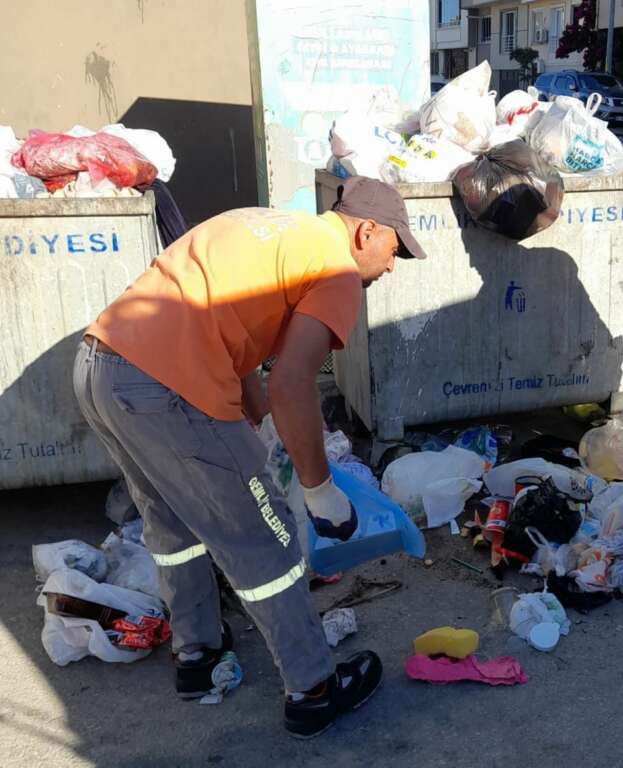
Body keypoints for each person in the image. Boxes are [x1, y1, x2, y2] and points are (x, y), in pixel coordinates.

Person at [73, 176, 426, 737]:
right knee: (270, 544)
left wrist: (252, 400)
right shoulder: (335, 271)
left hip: (101, 366)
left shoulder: (268, 224)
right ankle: (313, 690)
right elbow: (294, 385)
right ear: (366, 232)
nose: (393, 266)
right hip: (169, 388)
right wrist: (318, 489)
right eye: (395, 250)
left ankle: (197, 657)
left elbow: (220, 314)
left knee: (173, 525)